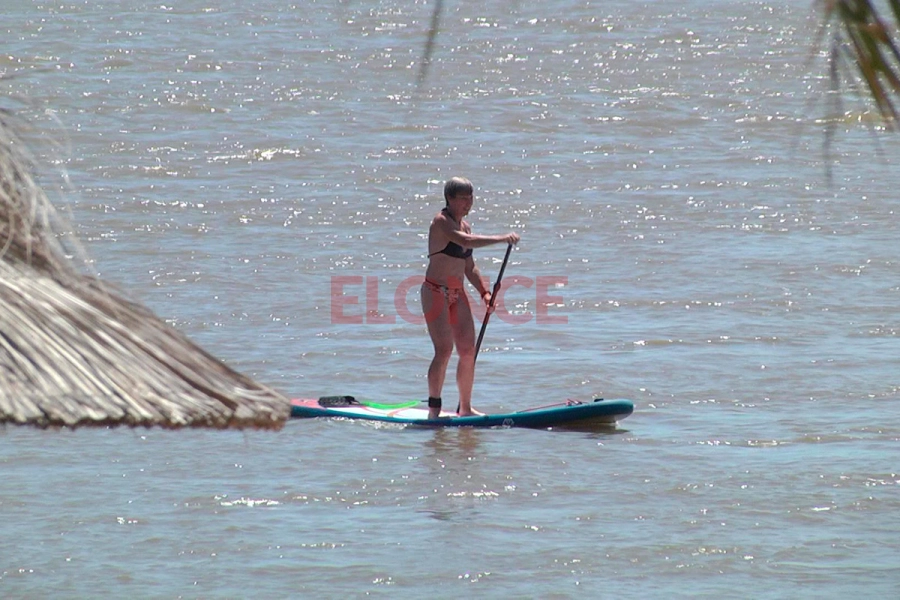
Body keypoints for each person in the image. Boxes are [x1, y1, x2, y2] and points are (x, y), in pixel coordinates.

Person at [421, 177, 520, 419]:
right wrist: (502, 238)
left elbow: (469, 266)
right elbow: (464, 242)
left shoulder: (466, 226)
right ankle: (434, 411)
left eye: (471, 197)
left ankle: (465, 408)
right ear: (450, 198)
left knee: (467, 350)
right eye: (463, 198)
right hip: (435, 292)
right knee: (444, 350)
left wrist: (484, 292)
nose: (468, 203)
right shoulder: (441, 222)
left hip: (457, 294)